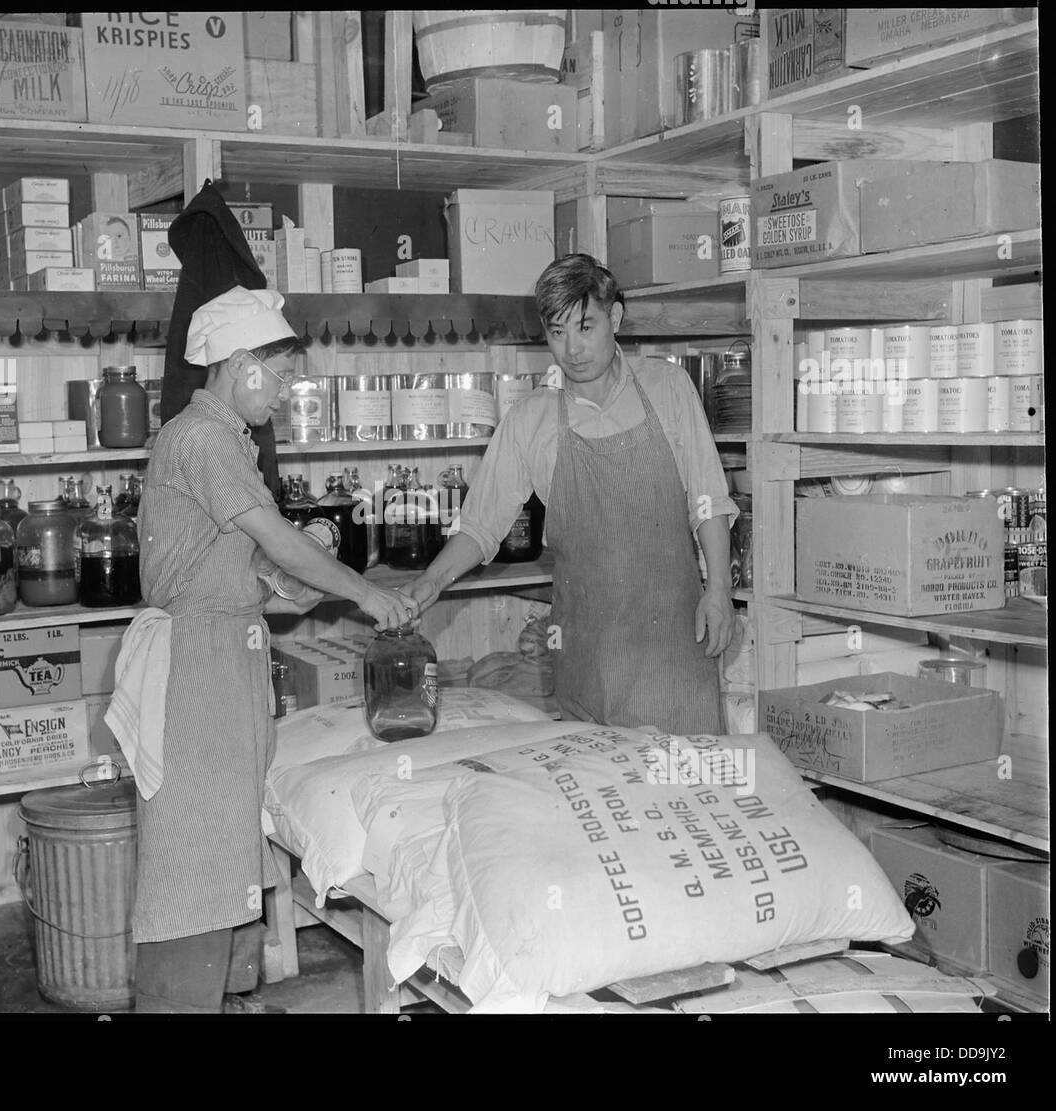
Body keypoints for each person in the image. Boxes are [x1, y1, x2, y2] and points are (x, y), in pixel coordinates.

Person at [132, 286, 414, 1013]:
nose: (287, 391)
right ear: (239, 361)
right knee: (191, 852)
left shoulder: (229, 441)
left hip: (228, 656)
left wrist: (301, 585)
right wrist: (361, 590)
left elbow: (256, 565)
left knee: (229, 841)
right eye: (280, 373)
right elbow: (275, 540)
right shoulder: (199, 438)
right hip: (195, 669)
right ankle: (178, 1004)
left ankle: (222, 999)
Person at [404, 254, 737, 734]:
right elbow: (480, 526)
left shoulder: (668, 387)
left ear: (614, 318)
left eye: (585, 327)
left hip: (674, 643)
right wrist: (430, 582)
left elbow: (708, 498)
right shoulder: (530, 419)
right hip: (586, 651)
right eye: (557, 333)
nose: (572, 349)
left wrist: (720, 592)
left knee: (681, 792)